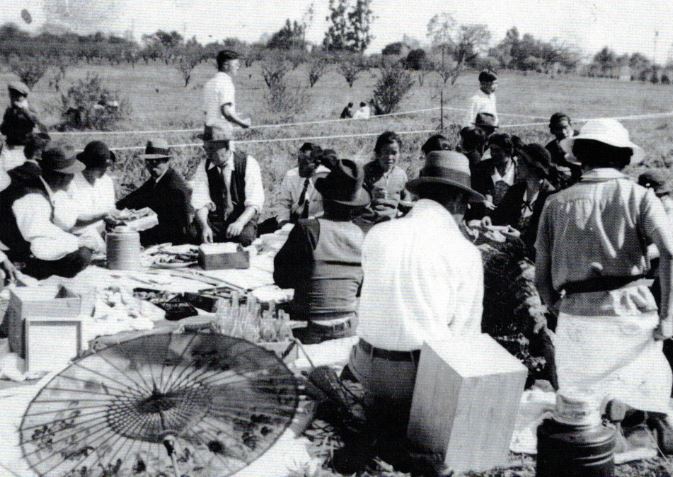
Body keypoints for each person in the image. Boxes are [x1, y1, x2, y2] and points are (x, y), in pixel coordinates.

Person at [337, 150, 484, 471]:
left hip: (367, 369)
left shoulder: (378, 233)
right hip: (419, 378)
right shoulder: (464, 252)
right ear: (459, 202)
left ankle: (380, 433)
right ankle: (403, 444)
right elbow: (464, 339)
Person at [535, 119, 673, 423]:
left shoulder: (555, 203)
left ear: (581, 156)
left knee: (582, 407)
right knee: (642, 388)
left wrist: (553, 303)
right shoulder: (640, 196)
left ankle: (604, 421)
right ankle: (635, 421)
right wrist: (666, 316)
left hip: (578, 315)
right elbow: (670, 251)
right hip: (630, 312)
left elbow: (541, 271)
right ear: (624, 158)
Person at [274, 159, 370, 344]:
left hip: (309, 327)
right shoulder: (362, 235)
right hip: (349, 326)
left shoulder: (308, 229)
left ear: (324, 198)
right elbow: (360, 287)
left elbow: (282, 277)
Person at [0, 145, 97, 279]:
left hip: (25, 246)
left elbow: (51, 228)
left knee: (79, 244)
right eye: (72, 174)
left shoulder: (41, 186)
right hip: (15, 258)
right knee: (81, 255)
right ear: (64, 177)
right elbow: (39, 246)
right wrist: (77, 243)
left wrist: (76, 240)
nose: (73, 178)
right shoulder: (33, 198)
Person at [191, 125, 264, 246]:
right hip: (216, 220)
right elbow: (200, 203)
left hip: (242, 217)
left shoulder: (248, 163)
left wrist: (239, 223)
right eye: (206, 149)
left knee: (244, 238)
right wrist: (204, 226)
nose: (208, 154)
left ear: (227, 147)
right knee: (193, 233)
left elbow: (255, 203)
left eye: (212, 149)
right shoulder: (204, 166)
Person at [116, 139, 192, 246]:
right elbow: (136, 197)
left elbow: (175, 228)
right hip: (162, 234)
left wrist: (136, 234)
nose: (153, 165)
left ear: (167, 161)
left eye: (158, 161)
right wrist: (114, 210)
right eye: (149, 161)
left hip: (176, 242)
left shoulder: (174, 187)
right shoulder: (157, 179)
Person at [486, 143, 556, 259]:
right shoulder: (516, 190)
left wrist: (520, 237)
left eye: (520, 163)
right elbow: (498, 216)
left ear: (533, 167)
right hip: (512, 251)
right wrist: (488, 219)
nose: (516, 166)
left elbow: (549, 239)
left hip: (537, 259)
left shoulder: (550, 197)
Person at [275, 142, 329, 227]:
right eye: (299, 161)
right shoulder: (291, 175)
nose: (300, 167)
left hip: (316, 225)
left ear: (316, 165)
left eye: (305, 163)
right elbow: (283, 203)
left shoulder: (325, 178)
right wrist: (283, 221)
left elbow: (330, 210)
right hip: (292, 221)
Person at [69, 141, 117, 234]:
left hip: (103, 234)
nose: (104, 170)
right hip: (77, 237)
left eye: (105, 167)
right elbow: (71, 220)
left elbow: (110, 209)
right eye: (100, 167)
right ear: (87, 165)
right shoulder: (71, 182)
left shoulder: (106, 181)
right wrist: (101, 216)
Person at [362, 131, 411, 221]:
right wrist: (370, 196)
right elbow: (358, 202)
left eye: (394, 153)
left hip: (393, 222)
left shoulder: (400, 174)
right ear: (377, 154)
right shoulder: (366, 171)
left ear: (399, 154)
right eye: (385, 152)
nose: (389, 157)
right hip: (371, 221)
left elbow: (406, 201)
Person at [202, 49, 250, 141]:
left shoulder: (209, 83)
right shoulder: (226, 83)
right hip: (221, 134)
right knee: (227, 156)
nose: (238, 67)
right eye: (236, 64)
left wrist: (235, 115)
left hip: (208, 132)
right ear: (226, 65)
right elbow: (226, 112)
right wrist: (243, 123)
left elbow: (207, 111)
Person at [470, 133, 521, 216]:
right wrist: (482, 201)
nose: (493, 153)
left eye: (497, 150)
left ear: (508, 151)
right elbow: (471, 193)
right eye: (491, 150)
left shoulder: (519, 171)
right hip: (483, 217)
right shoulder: (482, 168)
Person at [1, 82, 46, 171]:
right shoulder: (10, 110)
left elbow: (39, 123)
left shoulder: (30, 109)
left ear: (22, 96)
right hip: (9, 147)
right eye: (11, 95)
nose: (12, 98)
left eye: (15, 95)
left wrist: (24, 110)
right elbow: (3, 129)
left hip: (24, 149)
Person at [545, 112, 581, 188]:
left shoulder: (584, 140)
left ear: (571, 126)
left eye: (565, 127)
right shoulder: (550, 149)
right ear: (552, 131)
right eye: (558, 129)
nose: (563, 132)